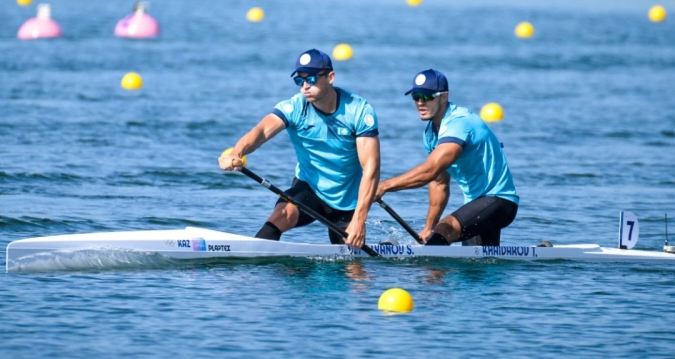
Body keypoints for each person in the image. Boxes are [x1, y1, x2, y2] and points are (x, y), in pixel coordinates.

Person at [219, 49, 380, 248]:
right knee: (281, 214)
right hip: (310, 188)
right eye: (299, 80)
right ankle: (253, 267)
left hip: (349, 199)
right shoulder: (294, 107)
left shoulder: (359, 110)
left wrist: (359, 220)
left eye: (311, 79)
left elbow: (371, 170)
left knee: (354, 272)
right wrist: (237, 152)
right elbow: (260, 132)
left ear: (330, 77)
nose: (305, 86)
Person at [375, 69, 519, 246]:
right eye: (416, 97)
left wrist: (384, 186)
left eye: (427, 97)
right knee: (476, 270)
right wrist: (429, 228)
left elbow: (430, 170)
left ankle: (428, 272)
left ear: (444, 97)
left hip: (500, 201)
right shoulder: (431, 134)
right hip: (476, 205)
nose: (420, 102)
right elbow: (438, 182)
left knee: (445, 229)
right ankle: (542, 250)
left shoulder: (459, 123)